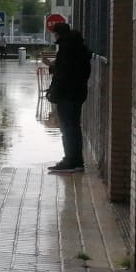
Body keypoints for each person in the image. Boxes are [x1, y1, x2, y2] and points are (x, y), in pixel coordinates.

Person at [44, 20, 91, 173]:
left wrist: (53, 92)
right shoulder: (79, 48)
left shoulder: (66, 49)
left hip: (67, 95)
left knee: (68, 128)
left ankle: (71, 160)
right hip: (78, 93)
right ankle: (76, 160)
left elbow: (62, 75)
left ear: (58, 34)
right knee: (74, 127)